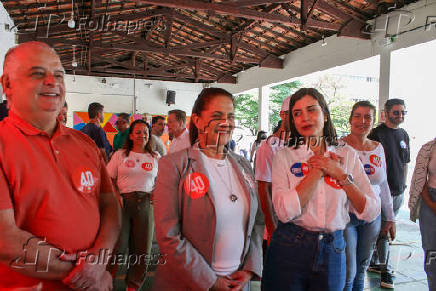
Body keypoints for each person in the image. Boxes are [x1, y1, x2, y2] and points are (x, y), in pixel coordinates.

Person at [0, 41, 121, 290]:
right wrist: (87, 275)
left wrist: (99, 261)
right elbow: (5, 241)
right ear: (7, 85)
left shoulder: (85, 144)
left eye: (58, 75)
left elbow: (111, 206)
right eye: (37, 73)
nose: (52, 82)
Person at [262, 88, 380, 291]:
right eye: (297, 113)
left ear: (325, 115)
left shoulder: (347, 155)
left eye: (311, 110)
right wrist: (318, 171)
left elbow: (370, 211)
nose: (304, 118)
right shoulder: (284, 156)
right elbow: (284, 211)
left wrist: (340, 175)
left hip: (333, 249)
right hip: (289, 246)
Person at [152, 88, 263, 291]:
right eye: (216, 116)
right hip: (190, 283)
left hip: (238, 283)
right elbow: (168, 235)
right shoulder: (175, 165)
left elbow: (256, 223)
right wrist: (210, 281)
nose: (226, 123)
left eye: (230, 116)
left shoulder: (244, 165)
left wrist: (249, 269)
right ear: (197, 120)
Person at [341, 101, 395, 291]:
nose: (362, 121)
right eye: (357, 116)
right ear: (350, 119)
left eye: (367, 117)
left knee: (362, 267)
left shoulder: (378, 147)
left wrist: (390, 217)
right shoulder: (338, 146)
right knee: (348, 269)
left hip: (373, 216)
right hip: (346, 215)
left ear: (373, 121)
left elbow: (383, 184)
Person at [107, 119, 158, 291]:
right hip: (122, 204)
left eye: (145, 132)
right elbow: (109, 179)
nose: (142, 135)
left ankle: (133, 286)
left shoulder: (155, 157)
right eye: (138, 132)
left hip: (146, 205)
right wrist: (116, 197)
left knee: (143, 250)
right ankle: (107, 283)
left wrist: (156, 192)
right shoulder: (120, 155)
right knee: (117, 247)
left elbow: (162, 181)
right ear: (130, 135)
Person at [368, 98, 410, 288]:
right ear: (386, 112)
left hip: (399, 191)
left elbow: (405, 162)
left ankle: (376, 262)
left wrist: (405, 185)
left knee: (384, 230)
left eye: (402, 112)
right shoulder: (377, 134)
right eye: (396, 112)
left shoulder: (404, 134)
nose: (400, 116)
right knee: (385, 231)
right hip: (381, 193)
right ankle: (386, 271)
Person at [255, 97, 290, 244]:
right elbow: (263, 188)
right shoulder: (269, 146)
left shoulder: (302, 145)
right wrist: (270, 227)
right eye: (294, 113)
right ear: (283, 115)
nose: (298, 119)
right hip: (278, 219)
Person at [409, 139, 436, 291]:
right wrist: (431, 204)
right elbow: (420, 179)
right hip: (430, 200)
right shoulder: (428, 148)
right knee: (432, 251)